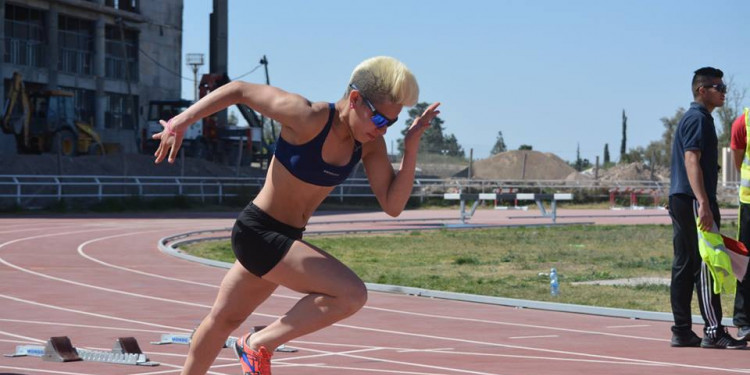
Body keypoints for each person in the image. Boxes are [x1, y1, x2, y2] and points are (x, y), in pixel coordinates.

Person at [153, 56, 441, 375]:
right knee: (350, 294)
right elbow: (239, 90)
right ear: (356, 99)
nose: (382, 129)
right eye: (379, 120)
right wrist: (181, 121)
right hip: (258, 232)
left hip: (285, 239)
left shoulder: (369, 146)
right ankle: (257, 343)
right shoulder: (306, 116)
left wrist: (411, 146)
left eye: (391, 123)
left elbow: (393, 204)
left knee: (223, 321)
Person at [668, 66, 745, 349]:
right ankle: (713, 331)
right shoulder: (698, 119)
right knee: (706, 263)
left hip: (684, 197)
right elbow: (691, 160)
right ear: (702, 90)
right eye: (719, 88)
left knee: (686, 263)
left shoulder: (698, 118)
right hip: (692, 198)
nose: (724, 92)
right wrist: (703, 202)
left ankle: (682, 330)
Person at [729, 108, 750, 341]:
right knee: (745, 261)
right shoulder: (743, 122)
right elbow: (737, 160)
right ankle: (744, 321)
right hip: (749, 202)